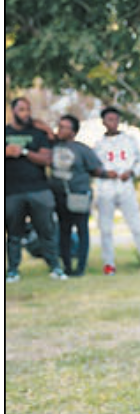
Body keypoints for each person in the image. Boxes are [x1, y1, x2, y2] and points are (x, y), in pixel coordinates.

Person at [93, 106, 140, 276]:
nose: (113, 123)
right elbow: (93, 168)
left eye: (116, 119)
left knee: (137, 227)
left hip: (126, 188)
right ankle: (109, 266)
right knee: (106, 229)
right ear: (103, 122)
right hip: (105, 189)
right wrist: (104, 173)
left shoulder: (129, 140)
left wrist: (131, 172)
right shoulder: (98, 145)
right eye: (109, 119)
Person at [5, 97, 67, 282]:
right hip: (11, 192)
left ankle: (55, 268)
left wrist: (24, 152)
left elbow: (47, 159)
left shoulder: (37, 134)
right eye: (22, 109)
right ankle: (13, 271)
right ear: (13, 111)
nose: (26, 113)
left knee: (47, 230)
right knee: (13, 234)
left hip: (39, 189)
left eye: (28, 109)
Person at [49, 114, 108, 276]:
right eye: (58, 126)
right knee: (64, 231)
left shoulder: (82, 149)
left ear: (73, 131)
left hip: (79, 195)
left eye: (64, 127)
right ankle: (67, 267)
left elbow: (97, 169)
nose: (59, 130)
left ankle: (80, 267)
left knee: (82, 230)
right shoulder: (52, 146)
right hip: (59, 196)